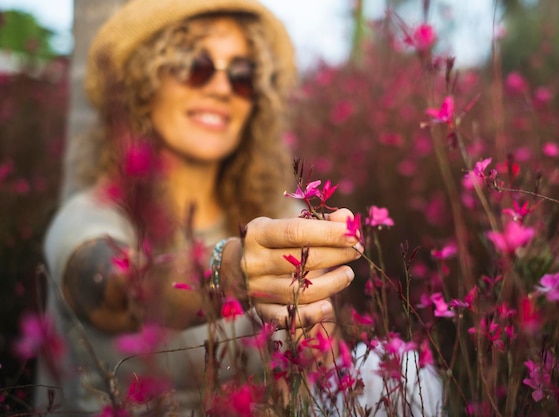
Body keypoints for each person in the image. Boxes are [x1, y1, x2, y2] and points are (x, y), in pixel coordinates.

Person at [34, 0, 443, 416]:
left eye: (243, 75)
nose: (222, 87)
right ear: (144, 84)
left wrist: (317, 338)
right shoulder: (88, 217)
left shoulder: (279, 214)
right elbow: (112, 288)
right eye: (196, 66)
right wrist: (229, 269)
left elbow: (330, 370)